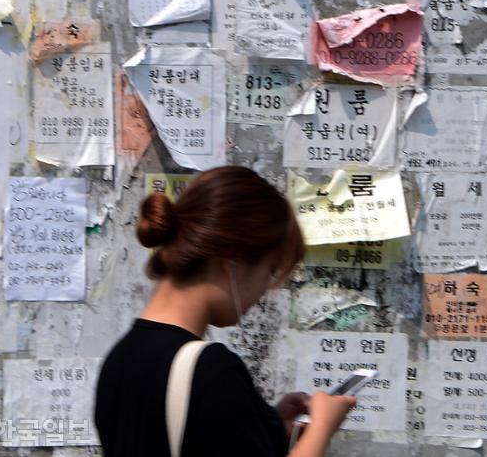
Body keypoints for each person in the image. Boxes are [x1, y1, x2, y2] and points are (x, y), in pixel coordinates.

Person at [95, 165, 356, 457]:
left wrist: (263, 425)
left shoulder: (119, 359)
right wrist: (321, 428)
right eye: (269, 273)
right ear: (230, 264)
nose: (265, 292)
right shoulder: (210, 371)